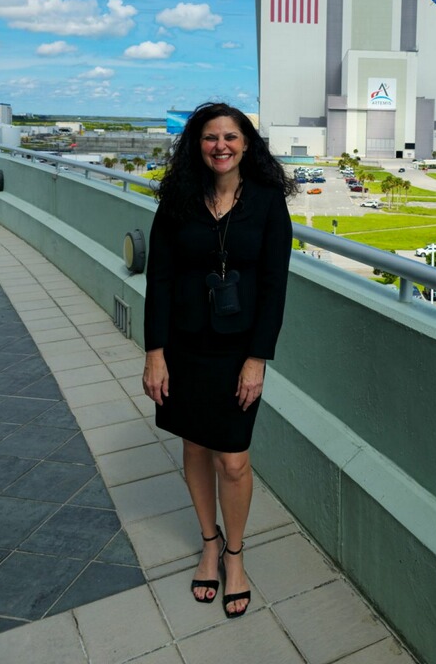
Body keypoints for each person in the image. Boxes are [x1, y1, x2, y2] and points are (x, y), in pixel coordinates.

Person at [142, 102, 295, 618]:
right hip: (184, 345)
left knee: (232, 458)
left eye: (231, 136)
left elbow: (275, 287)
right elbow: (159, 279)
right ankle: (209, 543)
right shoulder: (179, 199)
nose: (221, 146)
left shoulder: (269, 203)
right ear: (196, 145)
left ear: (247, 144)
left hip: (238, 351)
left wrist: (258, 360)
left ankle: (235, 554)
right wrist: (154, 353)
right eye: (210, 137)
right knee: (194, 446)